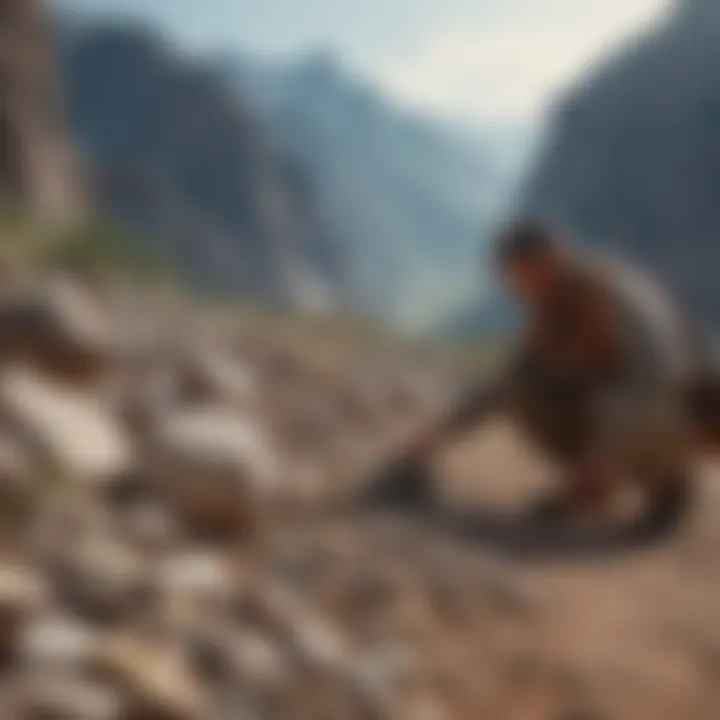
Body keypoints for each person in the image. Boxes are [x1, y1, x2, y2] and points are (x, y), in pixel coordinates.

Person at [392, 220, 705, 528]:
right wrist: (434, 438)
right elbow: (510, 379)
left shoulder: (615, 296)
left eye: (520, 277)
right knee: (526, 389)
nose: (518, 291)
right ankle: (592, 483)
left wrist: (600, 459)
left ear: (546, 261)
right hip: (619, 421)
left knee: (617, 406)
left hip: (669, 421)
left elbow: (661, 383)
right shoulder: (552, 304)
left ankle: (665, 487)